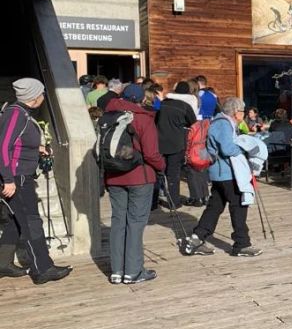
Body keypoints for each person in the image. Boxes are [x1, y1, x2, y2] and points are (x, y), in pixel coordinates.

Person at [0, 79, 71, 283]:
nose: (43, 96)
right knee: (32, 222)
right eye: (41, 93)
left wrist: (37, 149)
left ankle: (2, 263)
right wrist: (8, 180)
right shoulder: (15, 114)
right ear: (34, 97)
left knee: (15, 220)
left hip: (18, 174)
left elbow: (16, 143)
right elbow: (3, 148)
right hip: (16, 177)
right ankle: (42, 269)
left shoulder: (21, 113)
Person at [181, 97, 261, 257]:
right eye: (242, 111)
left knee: (215, 207)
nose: (243, 114)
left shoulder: (221, 122)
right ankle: (242, 244)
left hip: (220, 173)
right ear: (236, 112)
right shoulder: (223, 124)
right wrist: (246, 149)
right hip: (227, 173)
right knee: (238, 205)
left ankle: (196, 239)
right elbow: (227, 149)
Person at [103, 84, 166, 284]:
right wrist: (162, 166)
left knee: (118, 221)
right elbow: (151, 154)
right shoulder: (144, 119)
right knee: (136, 223)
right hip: (140, 177)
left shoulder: (107, 116)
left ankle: (116, 271)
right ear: (141, 100)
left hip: (113, 176)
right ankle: (133, 271)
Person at [155, 81, 197, 209]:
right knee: (173, 173)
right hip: (177, 143)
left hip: (160, 141)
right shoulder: (184, 106)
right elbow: (193, 122)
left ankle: (153, 202)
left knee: (158, 171)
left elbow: (156, 120)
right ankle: (174, 202)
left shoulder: (163, 104)